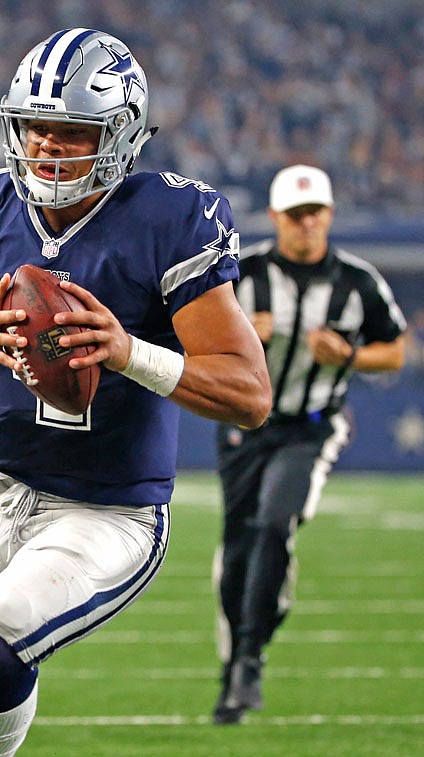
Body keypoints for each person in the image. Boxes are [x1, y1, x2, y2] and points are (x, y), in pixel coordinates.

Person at [0, 28, 271, 757]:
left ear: (120, 136)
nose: (48, 147)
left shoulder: (173, 219)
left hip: (112, 511)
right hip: (2, 490)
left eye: (72, 131)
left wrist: (128, 352)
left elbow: (250, 393)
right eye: (35, 127)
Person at [211, 164, 406, 725]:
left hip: (311, 425)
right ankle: (238, 661)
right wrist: (245, 334)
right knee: (241, 547)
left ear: (329, 216)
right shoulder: (240, 275)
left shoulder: (357, 280)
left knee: (275, 522)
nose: (306, 224)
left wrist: (346, 356)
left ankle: (249, 658)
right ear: (275, 218)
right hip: (246, 425)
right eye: (295, 215)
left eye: (314, 212)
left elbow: (393, 349)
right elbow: (187, 334)